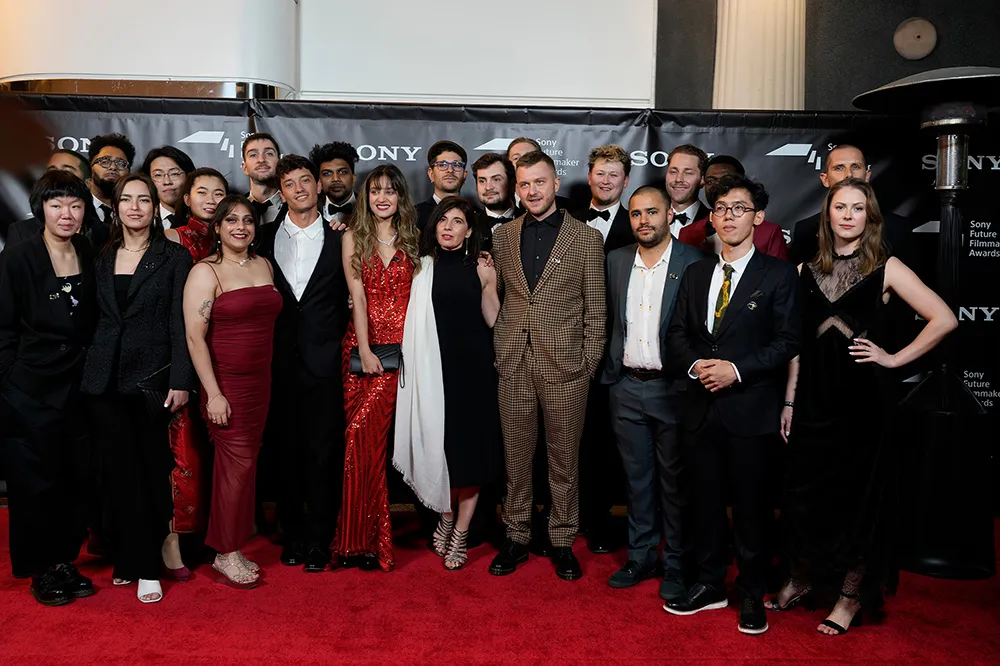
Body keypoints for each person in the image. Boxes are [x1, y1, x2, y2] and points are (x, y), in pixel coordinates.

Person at [769, 178, 957, 635]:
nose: (848, 214)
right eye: (840, 207)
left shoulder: (887, 267)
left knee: (858, 500)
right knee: (803, 495)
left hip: (865, 403)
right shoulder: (804, 269)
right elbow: (795, 344)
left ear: (869, 215)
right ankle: (802, 578)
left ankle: (850, 598)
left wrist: (892, 358)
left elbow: (944, 318)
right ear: (826, 214)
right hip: (813, 397)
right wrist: (790, 398)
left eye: (857, 207)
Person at [664, 174, 801, 635]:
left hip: (750, 410)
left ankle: (751, 593)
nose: (728, 216)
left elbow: (787, 341)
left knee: (751, 509)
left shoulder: (778, 274)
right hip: (700, 407)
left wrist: (736, 370)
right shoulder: (697, 270)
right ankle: (709, 584)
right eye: (721, 208)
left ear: (758, 218)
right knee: (702, 503)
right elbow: (677, 333)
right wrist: (699, 366)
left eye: (739, 208)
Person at [488, 151, 606, 581]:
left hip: (567, 370)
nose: (532, 191)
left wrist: (587, 364)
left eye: (539, 182)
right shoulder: (503, 237)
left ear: (555, 183)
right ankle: (516, 535)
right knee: (516, 459)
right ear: (516, 189)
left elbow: (596, 311)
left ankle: (561, 539)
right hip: (515, 364)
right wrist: (502, 351)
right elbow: (500, 302)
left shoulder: (586, 239)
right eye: (524, 184)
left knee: (563, 460)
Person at [80, 173, 195, 604]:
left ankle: (148, 565)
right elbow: (95, 320)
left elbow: (180, 324)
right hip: (103, 381)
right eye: (126, 200)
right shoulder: (102, 255)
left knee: (149, 473)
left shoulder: (172, 257)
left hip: (151, 382)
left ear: (154, 206)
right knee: (118, 476)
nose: (134, 207)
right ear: (115, 207)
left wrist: (180, 380)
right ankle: (131, 557)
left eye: (143, 200)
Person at [0, 170, 97, 605]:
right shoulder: (18, 257)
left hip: (78, 386)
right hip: (30, 389)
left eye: (75, 206)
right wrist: (10, 383)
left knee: (75, 478)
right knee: (33, 483)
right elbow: (2, 327)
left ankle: (63, 560)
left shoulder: (88, 250)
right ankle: (40, 567)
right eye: (57, 205)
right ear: (41, 208)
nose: (67, 214)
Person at [602, 186, 705, 598]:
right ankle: (642, 556)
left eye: (652, 212)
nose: (644, 221)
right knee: (636, 480)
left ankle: (678, 563)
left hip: (674, 388)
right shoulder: (616, 260)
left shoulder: (694, 261)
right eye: (636, 214)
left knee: (675, 482)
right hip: (626, 386)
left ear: (669, 215)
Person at [393, 196, 502, 571]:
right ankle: (446, 516)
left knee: (471, 456)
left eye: (457, 222)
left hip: (474, 373)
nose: (448, 227)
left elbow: (493, 320)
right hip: (432, 373)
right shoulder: (421, 268)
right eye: (443, 220)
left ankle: (460, 533)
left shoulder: (481, 266)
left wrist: (489, 285)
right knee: (443, 451)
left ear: (469, 231)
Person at [183, 195, 282, 588]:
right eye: (231, 221)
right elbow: (194, 337)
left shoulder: (263, 265)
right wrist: (214, 393)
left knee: (244, 466)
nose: (240, 227)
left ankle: (234, 543)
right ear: (218, 228)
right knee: (235, 468)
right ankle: (225, 552)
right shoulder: (206, 272)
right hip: (226, 385)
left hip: (261, 382)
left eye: (248, 220)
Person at [257, 155, 349, 573]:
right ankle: (292, 535)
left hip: (326, 363)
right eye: (290, 182)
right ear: (282, 191)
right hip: (277, 364)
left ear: (317, 185)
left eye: (306, 180)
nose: (299, 188)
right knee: (286, 452)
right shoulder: (261, 239)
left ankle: (320, 538)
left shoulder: (343, 237)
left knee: (324, 453)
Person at [333, 164, 420, 572]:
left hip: (404, 351)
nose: (382, 198)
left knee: (372, 446)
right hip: (362, 351)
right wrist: (366, 349)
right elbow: (357, 295)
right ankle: (357, 542)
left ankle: (367, 541)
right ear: (365, 198)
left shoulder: (415, 240)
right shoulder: (354, 236)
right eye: (374, 191)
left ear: (401, 196)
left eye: (390, 191)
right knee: (356, 441)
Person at [573, 144, 638, 554]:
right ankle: (567, 516)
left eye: (614, 174)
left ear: (626, 181)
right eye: (600, 172)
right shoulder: (567, 222)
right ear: (589, 175)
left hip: (618, 349)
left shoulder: (639, 227)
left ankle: (602, 522)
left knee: (610, 442)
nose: (606, 180)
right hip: (566, 347)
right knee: (570, 438)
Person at [789, 144, 913, 266]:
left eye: (855, 166)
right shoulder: (806, 230)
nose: (848, 174)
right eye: (839, 168)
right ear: (825, 179)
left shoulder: (898, 228)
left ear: (867, 176)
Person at [678, 155, 789, 260]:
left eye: (726, 179)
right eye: (710, 181)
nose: (718, 185)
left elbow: (778, 275)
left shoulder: (769, 232)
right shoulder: (688, 234)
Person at [4, 151, 105, 250]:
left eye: (66, 172)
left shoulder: (103, 232)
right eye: (52, 171)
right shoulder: (21, 231)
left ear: (88, 183)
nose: (58, 177)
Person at [165, 167, 228, 261]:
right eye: (202, 192)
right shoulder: (172, 237)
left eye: (218, 194)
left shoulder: (234, 236)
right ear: (187, 199)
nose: (210, 201)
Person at [506, 138, 573, 213]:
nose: (523, 162)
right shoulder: (500, 205)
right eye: (516, 158)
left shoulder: (568, 207)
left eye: (531, 157)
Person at [416, 140, 469, 230]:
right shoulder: (415, 215)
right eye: (442, 165)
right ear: (431, 174)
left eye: (456, 165)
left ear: (464, 175)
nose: (450, 170)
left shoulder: (475, 215)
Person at [139, 146, 196, 229]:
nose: (167, 182)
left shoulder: (200, 218)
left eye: (174, 174)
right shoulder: (142, 219)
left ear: (188, 176)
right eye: (158, 175)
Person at [471, 152, 516, 250]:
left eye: (496, 179)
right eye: (482, 181)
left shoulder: (529, 220)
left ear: (512, 183)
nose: (488, 187)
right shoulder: (468, 225)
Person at [664, 144, 711, 239]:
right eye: (673, 172)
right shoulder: (651, 218)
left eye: (688, 173)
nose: (678, 179)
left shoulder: (712, 223)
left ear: (702, 179)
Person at [88, 133, 135, 225]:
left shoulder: (134, 212)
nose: (113, 167)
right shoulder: (78, 207)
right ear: (91, 167)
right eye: (105, 162)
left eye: (121, 164)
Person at [309, 142, 358, 227]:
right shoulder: (309, 210)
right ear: (319, 182)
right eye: (327, 173)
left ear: (353, 179)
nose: (335, 179)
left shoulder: (371, 209)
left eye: (343, 172)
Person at [242, 133, 285, 225]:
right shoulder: (232, 208)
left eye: (269, 154)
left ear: (279, 163)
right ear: (244, 168)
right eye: (253, 155)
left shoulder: (294, 205)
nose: (261, 160)